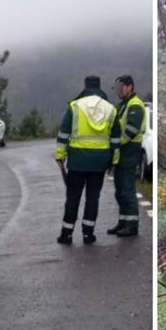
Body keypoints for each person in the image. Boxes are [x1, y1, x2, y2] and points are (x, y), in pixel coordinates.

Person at [55, 76, 118, 245]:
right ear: (99, 86)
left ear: (85, 86)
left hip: (77, 160)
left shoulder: (75, 106)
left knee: (73, 197)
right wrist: (113, 162)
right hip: (99, 162)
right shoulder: (111, 109)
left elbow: (63, 134)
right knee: (93, 198)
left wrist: (60, 156)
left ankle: (66, 234)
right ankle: (88, 234)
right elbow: (115, 139)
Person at [107, 75, 147, 238]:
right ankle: (123, 221)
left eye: (121, 86)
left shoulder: (135, 105)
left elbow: (130, 131)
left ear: (130, 87)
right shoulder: (122, 105)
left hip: (129, 150)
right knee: (119, 189)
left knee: (127, 188)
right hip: (122, 151)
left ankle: (132, 225)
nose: (118, 90)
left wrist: (115, 143)